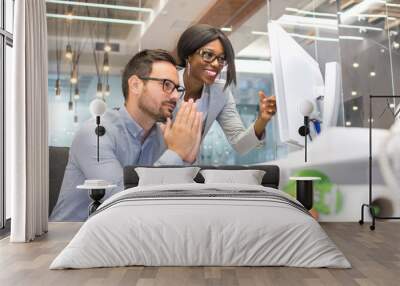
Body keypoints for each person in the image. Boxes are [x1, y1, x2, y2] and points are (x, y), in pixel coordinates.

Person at [50, 49, 202, 221]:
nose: (175, 96)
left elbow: (177, 201)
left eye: (177, 88)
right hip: (70, 239)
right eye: (166, 85)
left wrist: (187, 159)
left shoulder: (161, 138)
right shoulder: (95, 135)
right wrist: (175, 153)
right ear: (135, 85)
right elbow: (122, 202)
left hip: (124, 237)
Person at [175, 24, 277, 158]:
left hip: (189, 170)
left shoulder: (220, 92)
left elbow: (241, 145)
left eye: (221, 59)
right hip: (151, 169)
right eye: (208, 54)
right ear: (189, 55)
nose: (217, 64)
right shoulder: (166, 83)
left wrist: (262, 120)